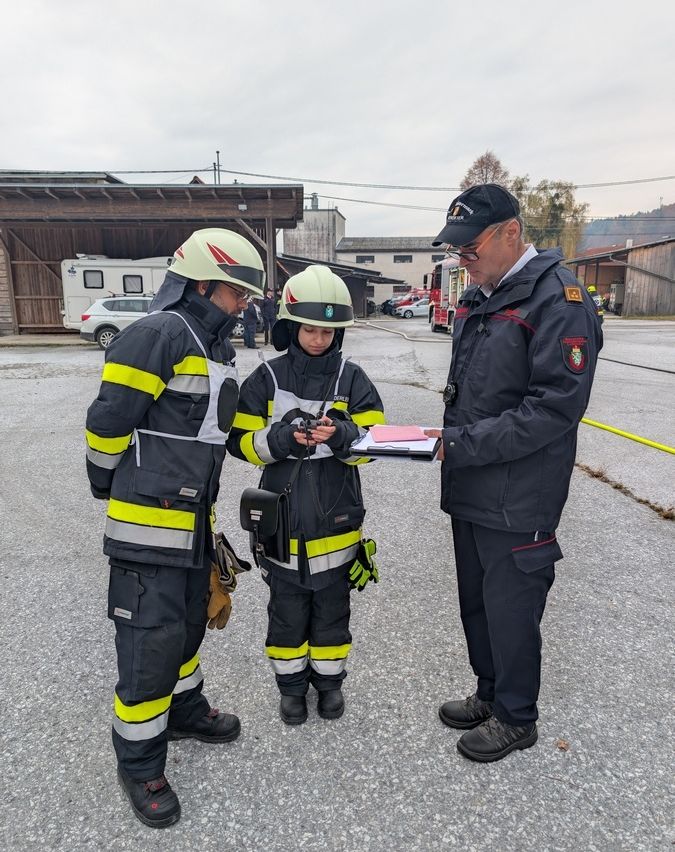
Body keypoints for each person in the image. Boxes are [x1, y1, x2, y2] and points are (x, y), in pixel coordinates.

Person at [85, 228, 265, 827]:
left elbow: (227, 435)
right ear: (202, 283)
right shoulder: (156, 335)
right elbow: (108, 424)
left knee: (188, 625)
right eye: (236, 293)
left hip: (192, 526)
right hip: (147, 530)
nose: (243, 305)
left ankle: (184, 709)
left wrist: (281, 440)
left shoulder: (215, 350)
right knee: (150, 644)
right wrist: (110, 486)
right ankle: (138, 763)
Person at [425, 184, 603, 763]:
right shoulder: (488, 294)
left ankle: (517, 716)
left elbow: (553, 407)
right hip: (474, 483)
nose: (462, 261)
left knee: (511, 608)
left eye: (469, 248)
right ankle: (489, 693)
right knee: (476, 602)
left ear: (510, 232)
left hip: (519, 494)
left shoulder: (558, 299)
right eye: (456, 251)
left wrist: (461, 443)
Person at [227, 266, 384, 725]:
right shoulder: (266, 378)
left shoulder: (353, 377)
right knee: (287, 615)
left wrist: (342, 436)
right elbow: (237, 439)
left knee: (333, 612)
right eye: (310, 329)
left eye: (328, 331)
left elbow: (376, 440)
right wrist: (277, 441)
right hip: (283, 526)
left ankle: (330, 686)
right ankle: (291, 690)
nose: (318, 339)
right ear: (291, 327)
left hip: (337, 527)